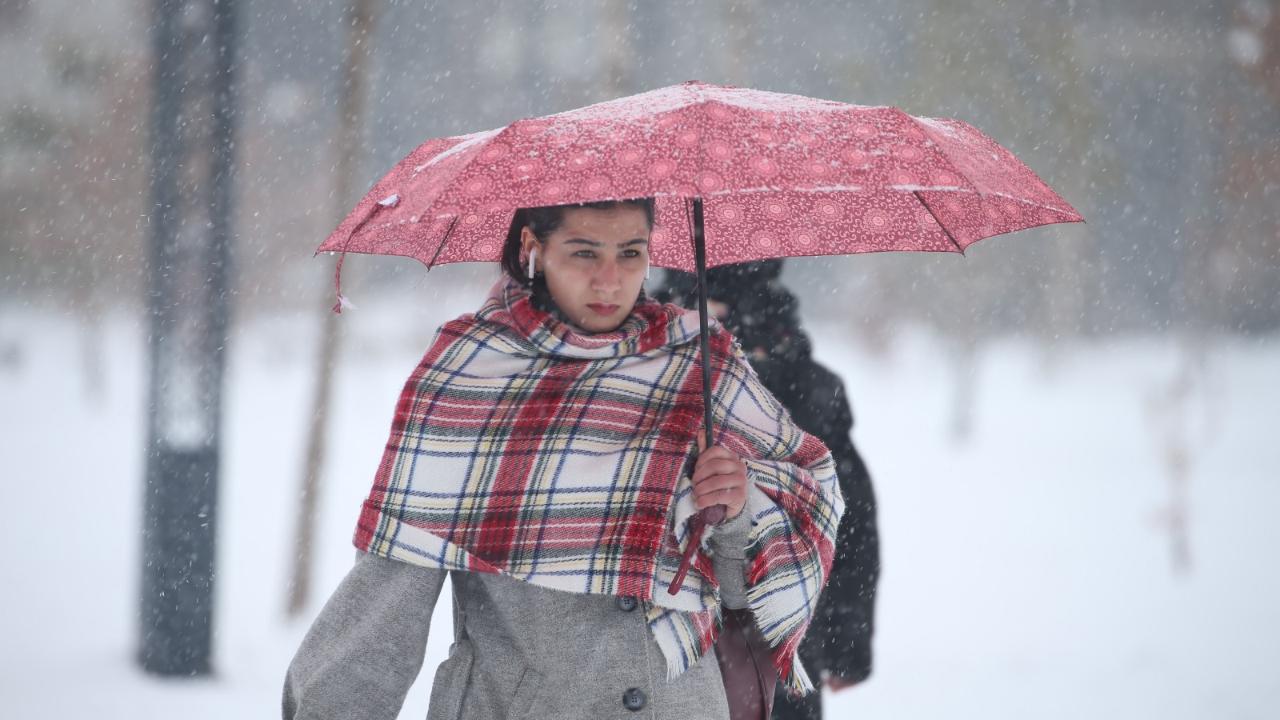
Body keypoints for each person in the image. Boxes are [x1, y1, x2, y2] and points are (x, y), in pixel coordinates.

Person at [283, 199, 845, 720]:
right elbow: (386, 604)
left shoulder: (698, 365)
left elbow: (740, 595)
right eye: (584, 252)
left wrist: (734, 509)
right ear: (533, 245)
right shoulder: (468, 374)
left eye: (631, 252)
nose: (611, 279)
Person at [657, 261, 880, 720]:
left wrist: (847, 643)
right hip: (672, 632)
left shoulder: (805, 386)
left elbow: (847, 520)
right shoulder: (646, 367)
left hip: (781, 625)